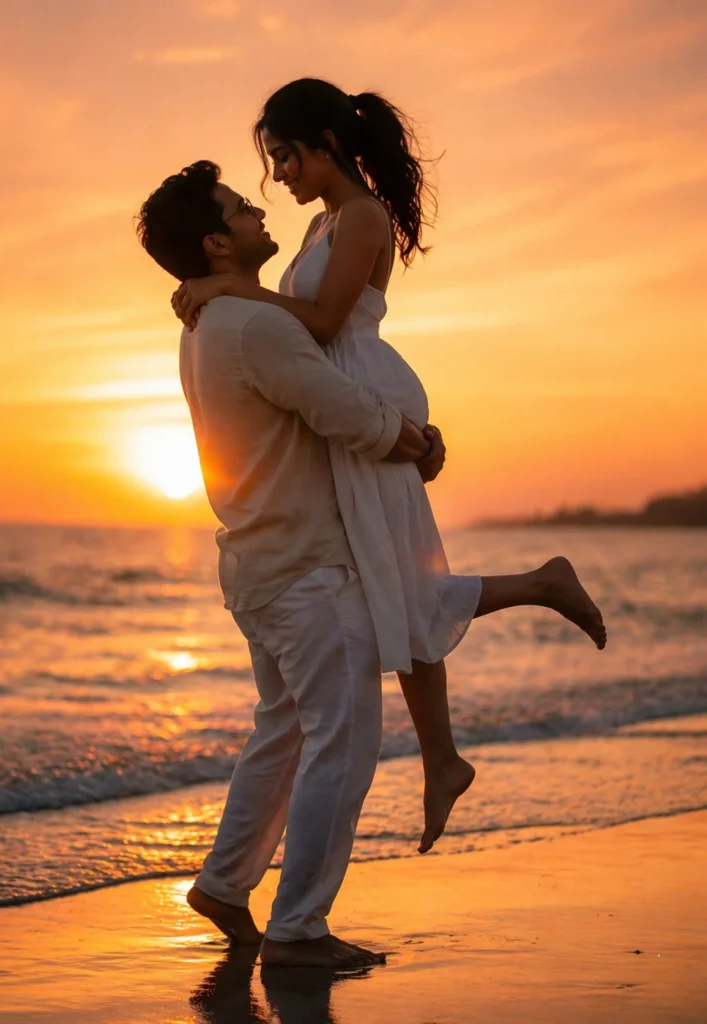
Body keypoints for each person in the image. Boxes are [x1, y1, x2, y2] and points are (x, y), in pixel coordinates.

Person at [169, 79, 607, 854]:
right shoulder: (320, 224)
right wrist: (229, 290)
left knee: (395, 579)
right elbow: (289, 322)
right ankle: (443, 754)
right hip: (348, 395)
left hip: (365, 390)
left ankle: (533, 600)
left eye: (283, 157)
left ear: (324, 145)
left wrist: (224, 286)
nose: (278, 177)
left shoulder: (362, 216)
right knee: (394, 580)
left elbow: (325, 321)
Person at [137, 160, 438, 969]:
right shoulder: (254, 326)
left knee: (282, 733)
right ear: (215, 242)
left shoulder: (202, 324)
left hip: (256, 564)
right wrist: (417, 442)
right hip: (306, 572)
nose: (257, 211)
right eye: (239, 209)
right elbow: (346, 414)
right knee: (341, 742)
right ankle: (300, 929)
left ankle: (225, 884)